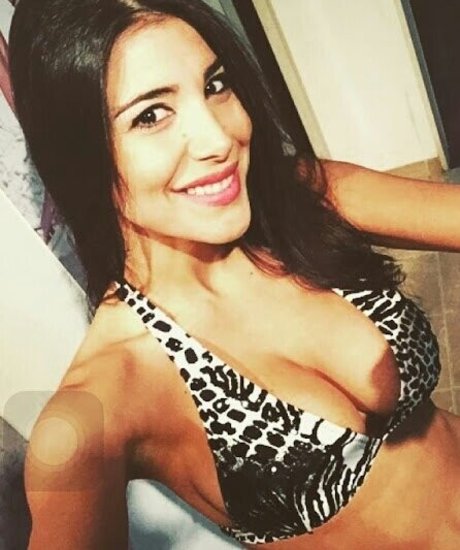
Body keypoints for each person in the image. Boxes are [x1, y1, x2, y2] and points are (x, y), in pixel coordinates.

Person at [8, 0, 460, 548]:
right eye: (151, 115)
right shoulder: (101, 406)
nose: (219, 138)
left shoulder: (298, 199)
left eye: (215, 85)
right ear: (76, 153)